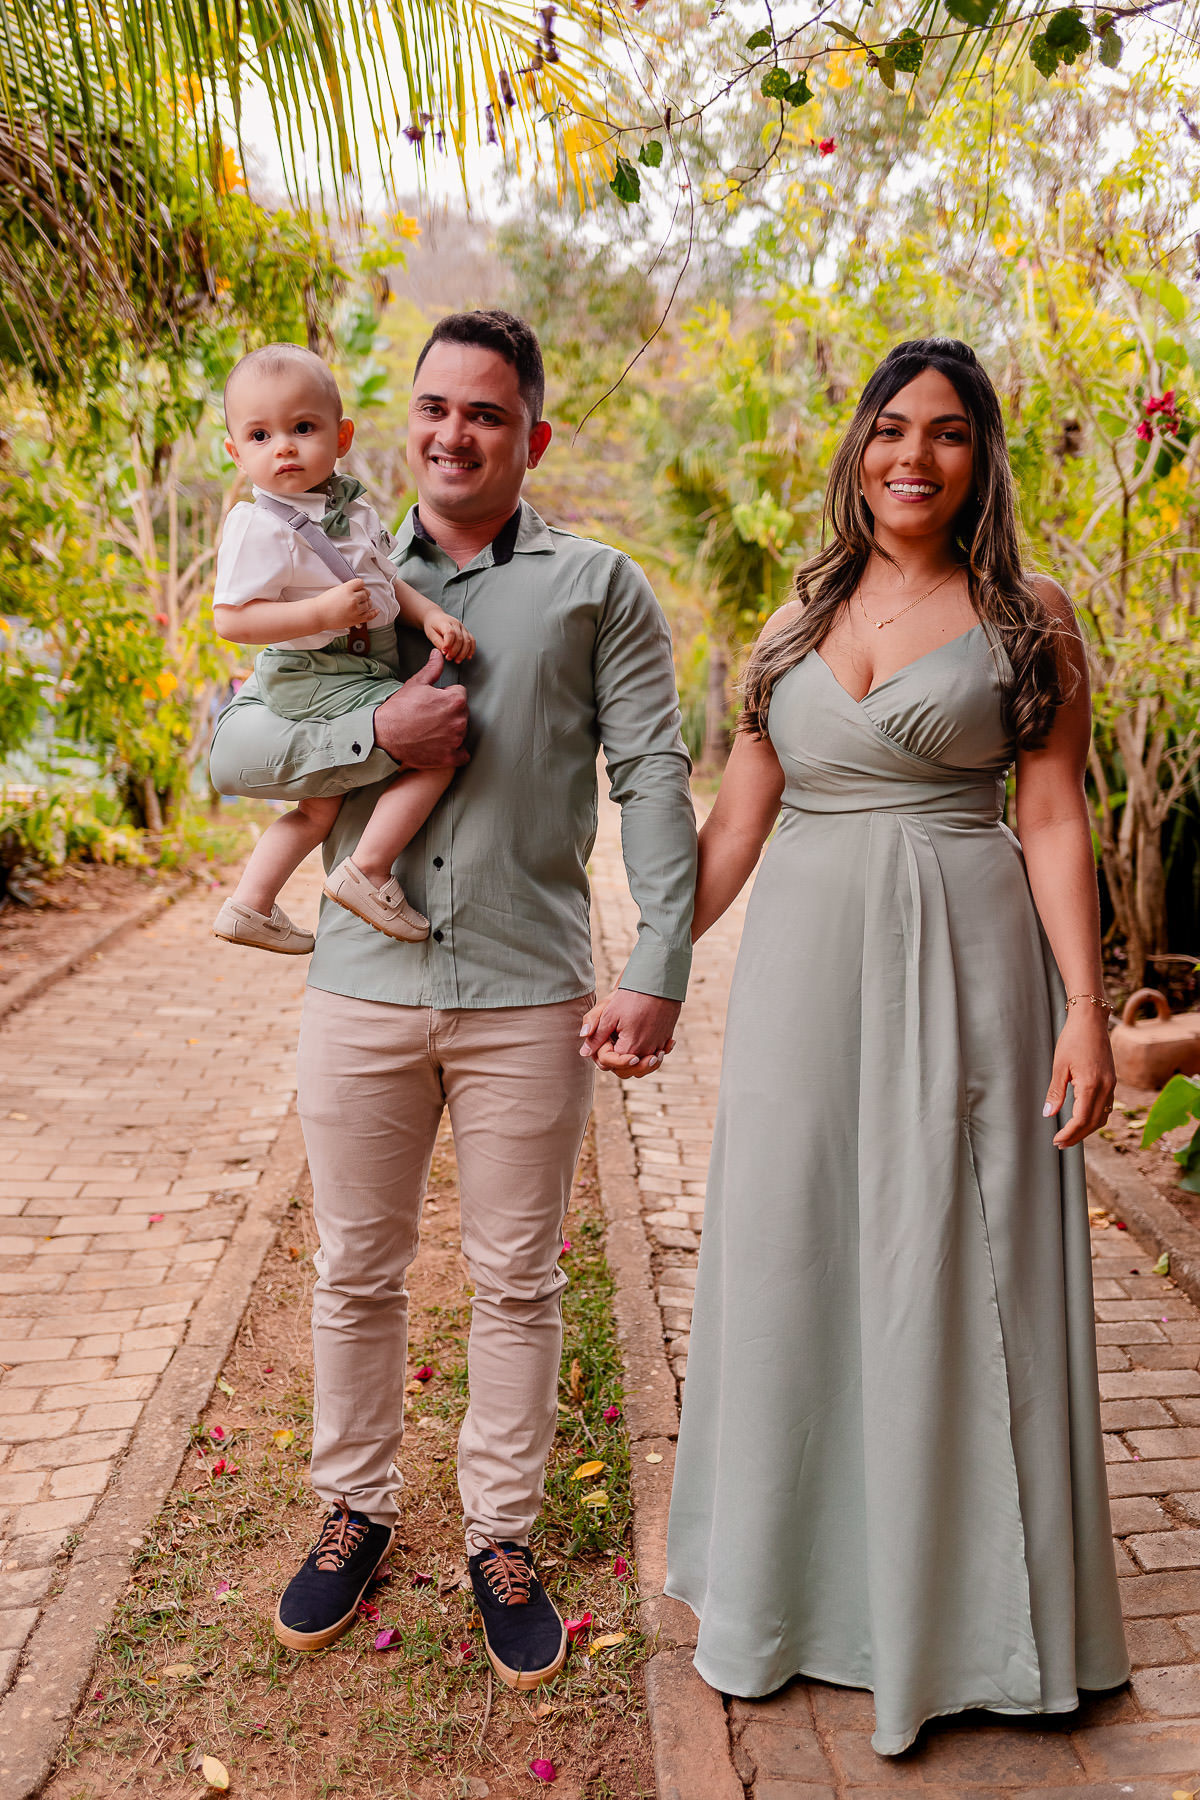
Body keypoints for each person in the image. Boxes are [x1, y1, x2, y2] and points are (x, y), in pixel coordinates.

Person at [208, 310, 696, 1688]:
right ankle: (354, 1508)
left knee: (518, 1281)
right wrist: (377, 729)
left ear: (532, 434)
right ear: (399, 420)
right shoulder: (327, 555)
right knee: (354, 1269)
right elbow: (234, 746)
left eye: (486, 412)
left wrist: (659, 955)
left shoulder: (599, 586)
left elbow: (653, 771)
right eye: (433, 406)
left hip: (527, 992)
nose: (453, 432)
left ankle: (502, 1535)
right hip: (359, 986)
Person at [660, 338, 1129, 1756]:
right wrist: (644, 966)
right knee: (794, 1248)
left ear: (981, 459)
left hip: (972, 966)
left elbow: (1049, 817)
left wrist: (1089, 1007)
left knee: (952, 1262)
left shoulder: (1030, 615)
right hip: (804, 971)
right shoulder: (794, 619)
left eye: (945, 434)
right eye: (888, 428)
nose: (910, 456)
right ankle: (782, 1599)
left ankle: (969, 1625)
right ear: (855, 446)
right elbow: (735, 826)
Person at [211, 344, 475, 955]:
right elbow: (231, 620)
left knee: (319, 811)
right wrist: (320, 613)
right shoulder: (260, 525)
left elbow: (385, 581)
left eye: (302, 428)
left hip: (350, 661)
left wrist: (430, 613)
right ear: (235, 452)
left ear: (341, 435)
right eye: (259, 435)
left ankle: (249, 903)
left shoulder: (351, 510)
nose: (283, 447)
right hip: (314, 669)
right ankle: (368, 869)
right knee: (434, 744)